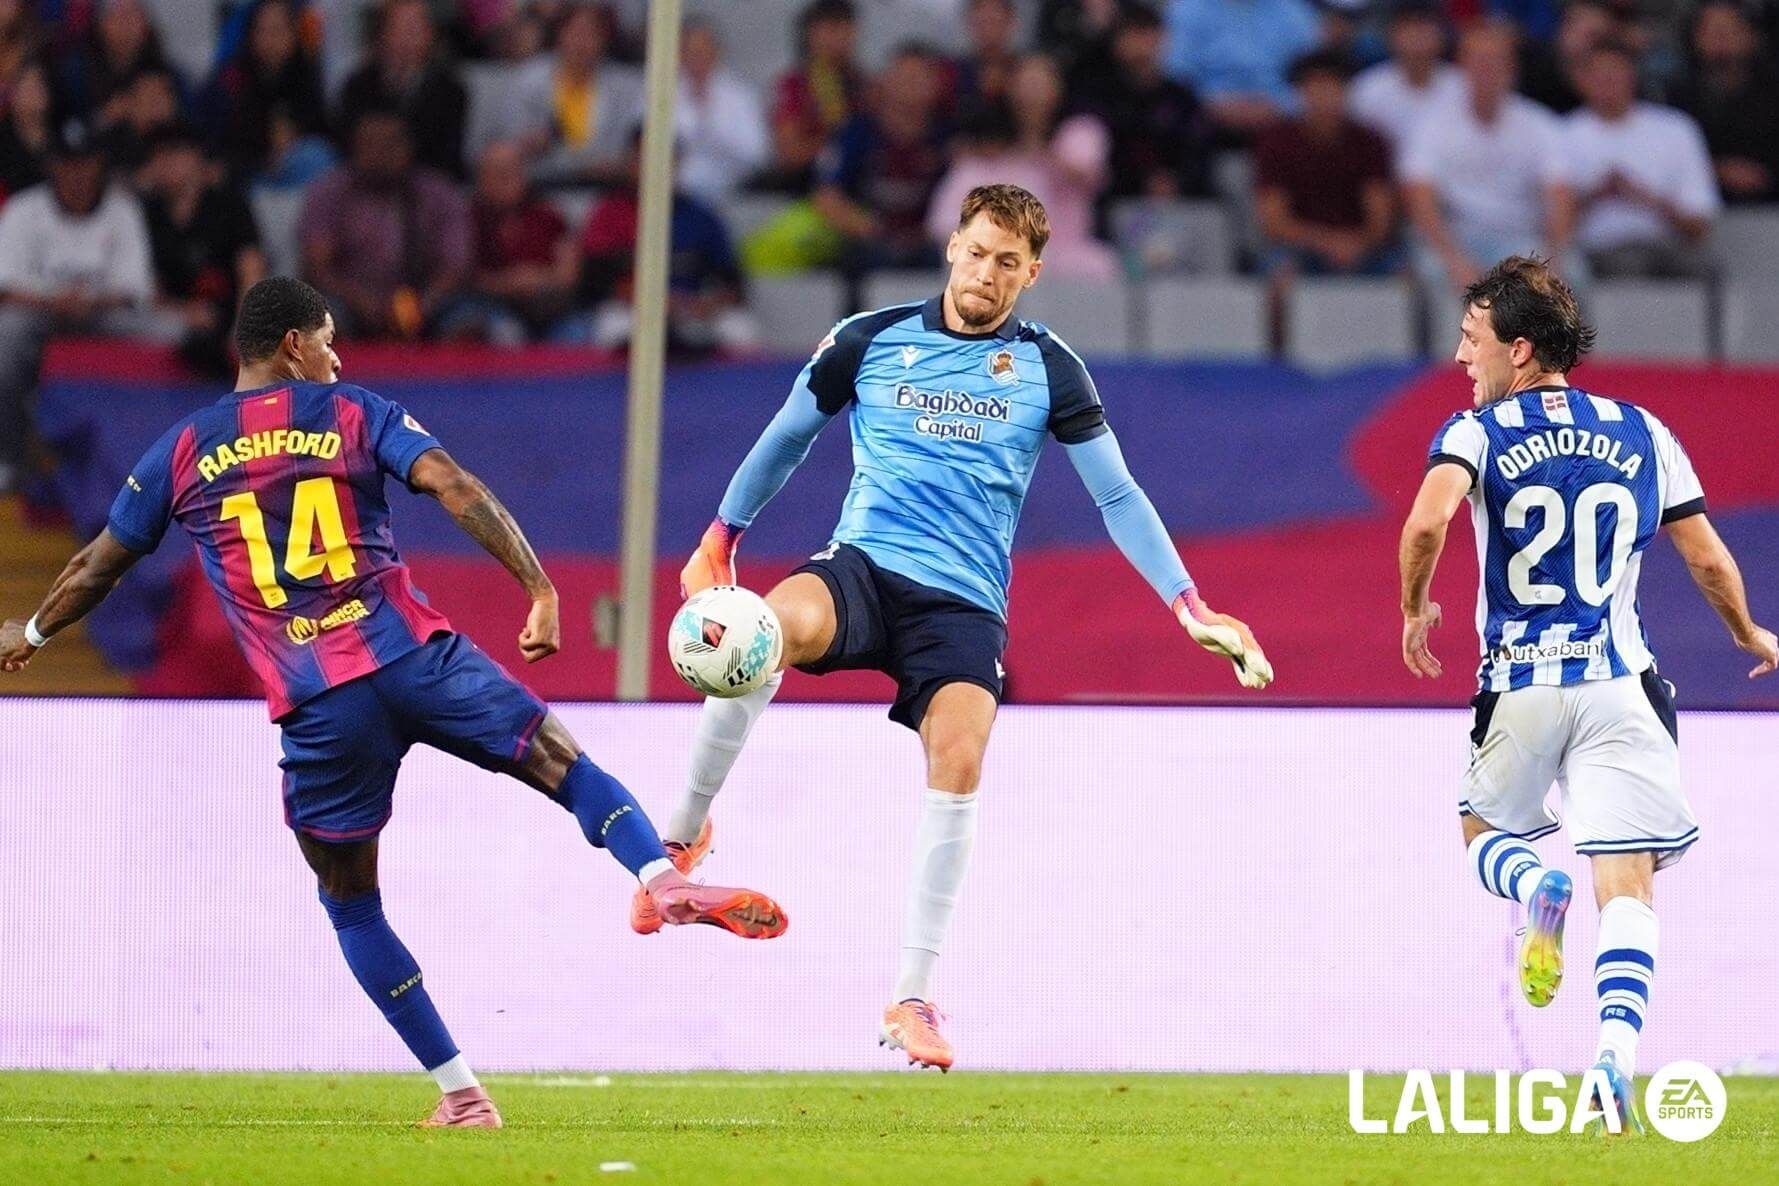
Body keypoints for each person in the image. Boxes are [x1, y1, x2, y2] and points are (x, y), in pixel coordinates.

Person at [0, 276, 788, 1127]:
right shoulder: (353, 413)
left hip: (316, 703)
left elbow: (97, 565)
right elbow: (454, 485)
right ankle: (659, 876)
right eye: (329, 337)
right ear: (294, 344)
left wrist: (34, 635)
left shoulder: (182, 450)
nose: (338, 355)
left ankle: (460, 1093)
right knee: (563, 762)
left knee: (350, 902)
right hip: (415, 656)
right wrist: (537, 588)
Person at [648, 183, 1274, 1071]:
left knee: (961, 757)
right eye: (977, 252)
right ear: (952, 247)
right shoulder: (868, 340)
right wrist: (719, 540)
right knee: (759, 628)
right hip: (863, 567)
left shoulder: (1049, 368)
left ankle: (911, 1000)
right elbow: (786, 437)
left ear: (1032, 275)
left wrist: (1189, 605)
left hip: (961, 604)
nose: (987, 273)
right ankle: (680, 839)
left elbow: (1117, 494)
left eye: (1008, 263)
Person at [1397, 255, 1776, 1132]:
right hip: (1619, 683)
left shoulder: (1473, 433)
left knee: (1481, 831)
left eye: (1471, 340)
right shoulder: (1643, 429)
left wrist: (1415, 608)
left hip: (1520, 682)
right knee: (1627, 883)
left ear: (1519, 350)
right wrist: (1746, 633)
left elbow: (1425, 521)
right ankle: (1612, 1061)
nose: (1461, 359)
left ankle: (1532, 884)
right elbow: (1706, 557)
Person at [0, 115, 180, 494]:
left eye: (85, 162)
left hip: (103, 314)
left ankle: (167, 462)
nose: (77, 173)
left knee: (173, 332)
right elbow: (7, 286)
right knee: (5, 333)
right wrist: (57, 301)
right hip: (40, 316)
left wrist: (88, 301)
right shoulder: (24, 209)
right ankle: (8, 459)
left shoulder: (122, 210)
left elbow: (135, 288)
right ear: (52, 165)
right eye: (68, 163)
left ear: (100, 164)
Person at [1399, 21, 1576, 294]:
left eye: (1495, 61)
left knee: (1573, 274)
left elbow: (1560, 194)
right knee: (1432, 273)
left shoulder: (1539, 123)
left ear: (1512, 68)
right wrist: (1453, 259)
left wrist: (1553, 255)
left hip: (1521, 238)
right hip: (1455, 235)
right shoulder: (1432, 124)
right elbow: (1419, 196)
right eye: (1478, 61)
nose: (1486, 70)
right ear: (1462, 67)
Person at [925, 54, 1117, 281]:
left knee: (1101, 264)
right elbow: (940, 223)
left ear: (1058, 87)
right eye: (1025, 83)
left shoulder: (1079, 133)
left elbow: (1085, 175)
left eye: (1039, 83)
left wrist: (1035, 139)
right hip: (1001, 260)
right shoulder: (985, 156)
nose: (1031, 93)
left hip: (1067, 256)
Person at [297, 107, 471, 340]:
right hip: (350, 301)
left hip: (428, 300)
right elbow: (317, 266)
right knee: (322, 320)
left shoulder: (439, 194)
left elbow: (456, 265)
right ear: (354, 146)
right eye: (370, 144)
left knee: (469, 320)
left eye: (389, 144)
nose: (379, 154)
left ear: (409, 147)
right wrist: (361, 301)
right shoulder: (328, 192)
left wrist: (422, 304)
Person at [1561, 40, 1718, 279]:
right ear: (1582, 80)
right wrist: (1597, 195)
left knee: (1708, 269)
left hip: (1668, 245)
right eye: (1599, 74)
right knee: (1628, 267)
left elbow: (1699, 225)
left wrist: (1644, 198)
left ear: (1632, 75)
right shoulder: (1562, 134)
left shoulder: (1676, 128)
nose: (1608, 81)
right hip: (1599, 250)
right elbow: (1550, 225)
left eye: (1616, 72)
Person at [1254, 50, 1397, 280]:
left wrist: (1356, 242)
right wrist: (1326, 242)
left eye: (1332, 86)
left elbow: (1380, 217)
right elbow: (1274, 220)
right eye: (1314, 86)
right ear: (1299, 91)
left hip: (1361, 246)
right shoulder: (1276, 141)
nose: (1323, 95)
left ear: (1346, 90)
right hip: (1300, 247)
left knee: (1406, 276)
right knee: (1279, 275)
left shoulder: (1370, 142)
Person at [478, 2, 642, 187]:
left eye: (591, 34)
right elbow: (508, 142)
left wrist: (619, 165)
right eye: (575, 32)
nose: (581, 43)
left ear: (605, 39)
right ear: (559, 34)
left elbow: (631, 149)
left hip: (605, 189)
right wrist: (528, 144)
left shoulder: (626, 86)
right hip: (540, 187)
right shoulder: (528, 78)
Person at [333, 0, 468, 179]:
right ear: (382, 34)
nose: (408, 36)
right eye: (401, 28)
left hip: (427, 183)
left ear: (430, 34)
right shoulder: (358, 84)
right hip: (365, 180)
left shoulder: (450, 89)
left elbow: (447, 152)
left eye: (415, 28)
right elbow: (347, 139)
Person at [1670, 0, 1779, 206]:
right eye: (1711, 31)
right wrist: (1718, 170)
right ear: (1695, 38)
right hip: (1697, 212)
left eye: (1730, 30)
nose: (1721, 40)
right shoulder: (1676, 96)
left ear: (1751, 36)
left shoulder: (1773, 90)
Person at [673, 17, 768, 206]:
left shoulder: (741, 96)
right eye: (690, 51)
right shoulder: (661, 92)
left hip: (729, 196)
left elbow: (756, 153)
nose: (697, 57)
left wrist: (712, 126)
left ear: (716, 51)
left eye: (702, 50)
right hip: (673, 198)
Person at [1347, 1, 1462, 152]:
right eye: (1408, 27)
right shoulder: (1367, 90)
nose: (1417, 35)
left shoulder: (1462, 86)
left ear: (1441, 34)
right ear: (1391, 35)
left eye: (1424, 26)